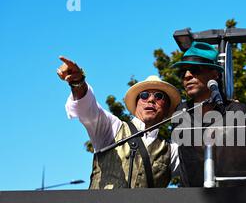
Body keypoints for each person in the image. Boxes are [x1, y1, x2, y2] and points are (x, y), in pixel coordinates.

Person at [57, 56, 181, 189]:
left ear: (167, 107)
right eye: (144, 95)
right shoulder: (112, 128)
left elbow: (200, 154)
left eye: (159, 96)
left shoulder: (172, 151)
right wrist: (78, 82)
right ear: (136, 103)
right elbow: (88, 108)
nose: (151, 100)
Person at [171, 41, 246, 125]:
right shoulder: (181, 111)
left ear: (214, 75)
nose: (187, 75)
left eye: (194, 69)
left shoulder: (235, 111)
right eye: (182, 72)